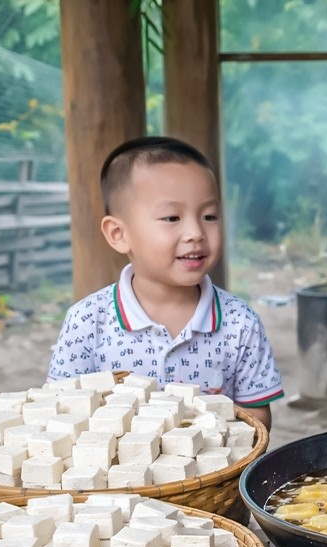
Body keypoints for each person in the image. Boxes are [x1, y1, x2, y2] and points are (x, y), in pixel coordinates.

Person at [48, 136, 284, 429]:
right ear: (119, 234)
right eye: (172, 217)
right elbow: (60, 412)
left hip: (219, 476)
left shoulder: (240, 323)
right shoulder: (87, 322)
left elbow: (257, 420)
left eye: (209, 216)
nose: (195, 232)